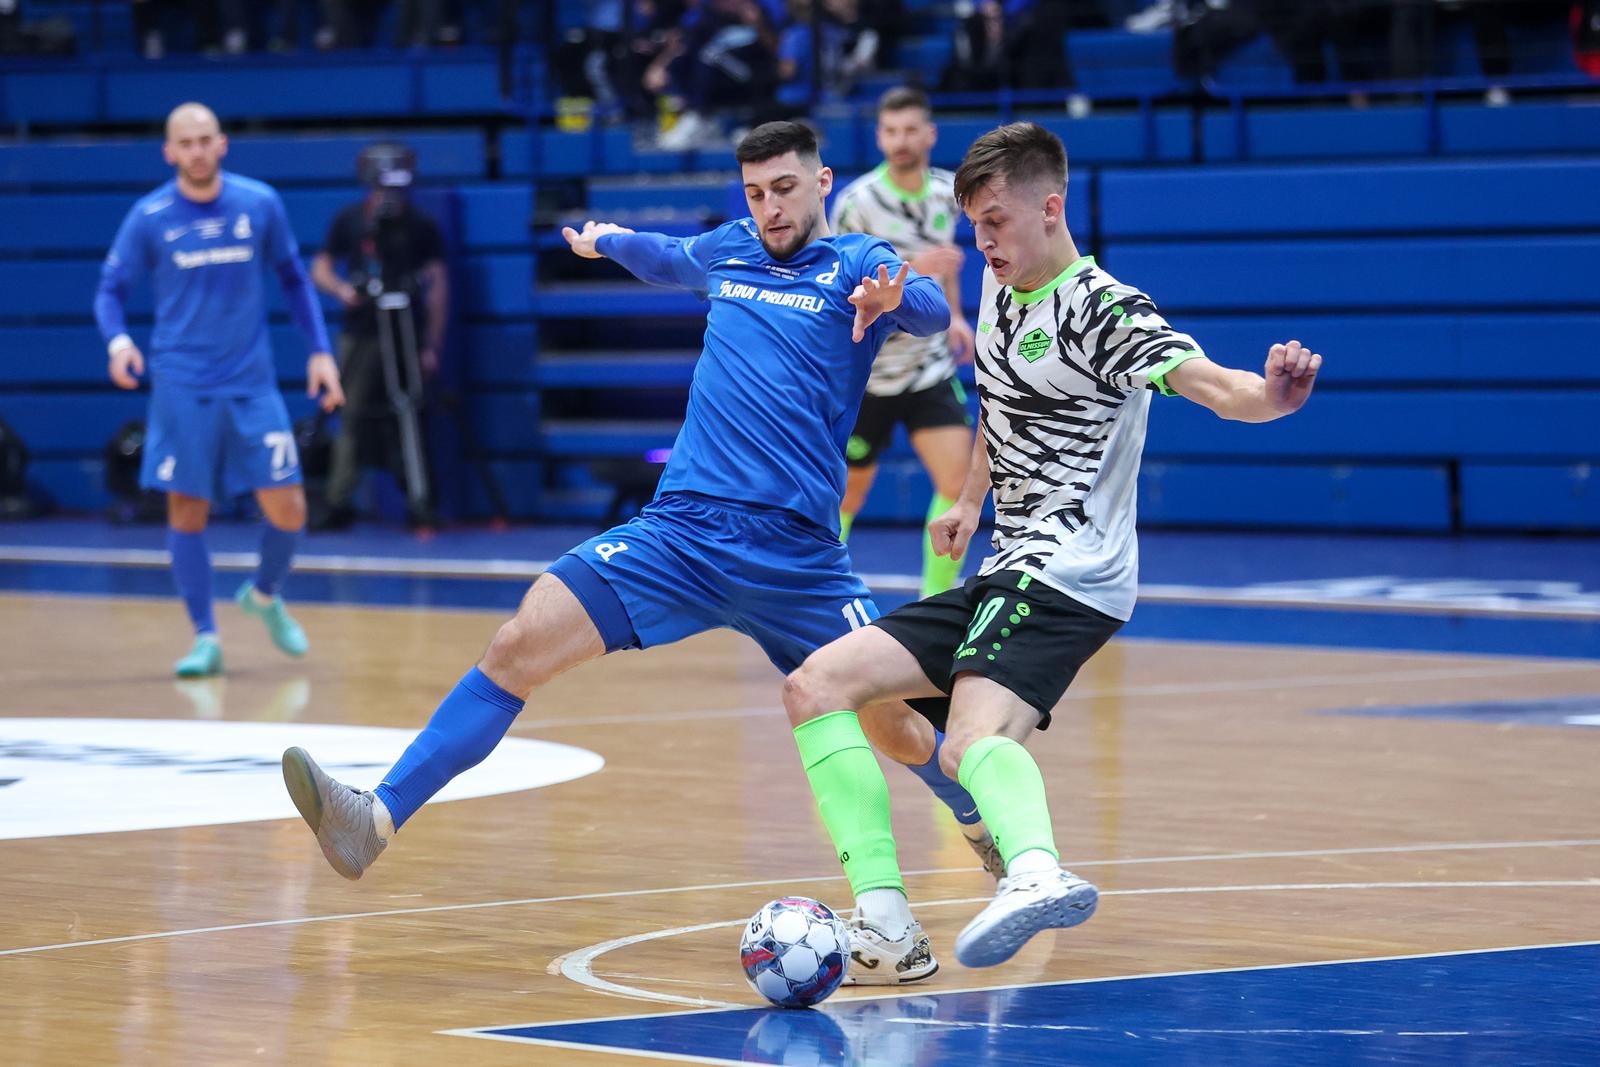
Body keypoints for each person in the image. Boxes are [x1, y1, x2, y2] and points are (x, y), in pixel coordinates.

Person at [282, 121, 999, 983]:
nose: (769, 206)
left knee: (891, 721)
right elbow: (664, 254)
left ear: (822, 183)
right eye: (755, 191)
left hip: (798, 557)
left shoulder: (853, 261)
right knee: (516, 642)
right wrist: (604, 239)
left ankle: (971, 816)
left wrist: (896, 298)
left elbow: (918, 302)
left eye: (784, 187)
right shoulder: (729, 250)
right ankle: (375, 816)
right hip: (681, 534)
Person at [783, 121, 1323, 972]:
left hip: (1073, 571)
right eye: (972, 225)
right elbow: (1000, 411)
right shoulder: (1001, 292)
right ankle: (889, 920)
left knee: (968, 736)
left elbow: (1214, 386)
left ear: (1051, 207)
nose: (982, 241)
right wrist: (967, 501)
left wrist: (1274, 398)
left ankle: (1035, 869)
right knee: (823, 685)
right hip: (1008, 562)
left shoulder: (1104, 307)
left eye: (996, 221)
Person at [94, 102, 345, 678]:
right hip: (181, 384)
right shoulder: (149, 214)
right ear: (170, 152)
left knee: (289, 508)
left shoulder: (259, 203)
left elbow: (294, 280)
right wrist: (118, 343)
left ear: (223, 143)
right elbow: (109, 290)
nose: (197, 151)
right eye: (186, 143)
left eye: (206, 140)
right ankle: (205, 637)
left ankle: (263, 593)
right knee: (187, 512)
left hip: (251, 383)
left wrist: (320, 352)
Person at [829, 87, 977, 599]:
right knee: (846, 498)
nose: (901, 140)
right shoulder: (857, 204)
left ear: (930, 134)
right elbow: (837, 281)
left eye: (911, 129)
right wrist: (915, 269)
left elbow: (947, 262)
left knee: (958, 483)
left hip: (928, 369)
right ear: (879, 138)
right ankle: (819, 597)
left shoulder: (946, 193)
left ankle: (933, 603)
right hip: (868, 373)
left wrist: (955, 316)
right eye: (891, 132)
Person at [310, 142, 449, 531]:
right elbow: (319, 268)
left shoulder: (421, 225)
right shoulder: (351, 220)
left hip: (407, 330)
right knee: (350, 414)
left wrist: (431, 344)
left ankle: (420, 502)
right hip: (361, 332)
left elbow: (439, 285)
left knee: (411, 413)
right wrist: (341, 290)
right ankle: (339, 501)